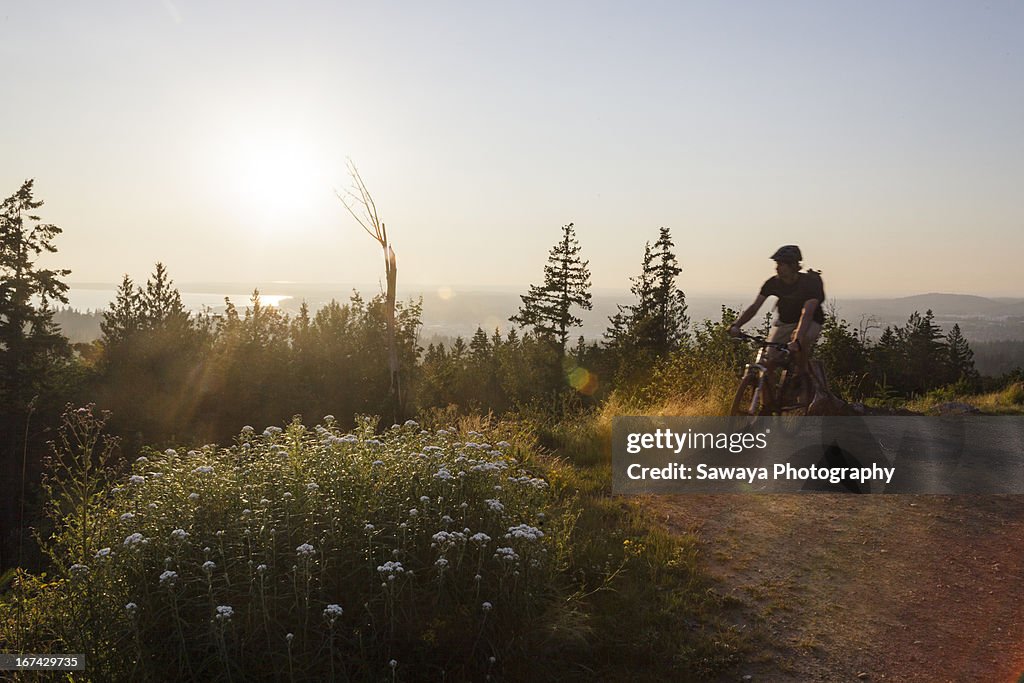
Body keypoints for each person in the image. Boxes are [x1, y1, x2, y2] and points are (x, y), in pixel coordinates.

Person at [729, 245, 825, 396]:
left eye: (781, 264)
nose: (777, 268)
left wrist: (797, 340)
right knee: (768, 362)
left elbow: (807, 313)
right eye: (777, 264)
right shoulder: (773, 283)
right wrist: (737, 325)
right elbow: (755, 307)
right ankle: (768, 404)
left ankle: (801, 374)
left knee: (803, 340)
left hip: (812, 321)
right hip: (785, 322)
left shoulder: (810, 283)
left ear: (794, 266)